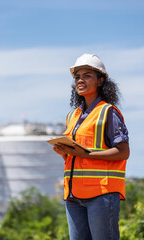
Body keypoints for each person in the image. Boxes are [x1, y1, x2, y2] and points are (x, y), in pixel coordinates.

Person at [53, 53, 130, 240]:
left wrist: (87, 154)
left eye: (87, 75)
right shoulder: (72, 116)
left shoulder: (107, 112)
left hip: (101, 194)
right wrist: (64, 151)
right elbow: (77, 155)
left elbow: (123, 152)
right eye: (77, 77)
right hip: (73, 195)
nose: (80, 80)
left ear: (100, 80)